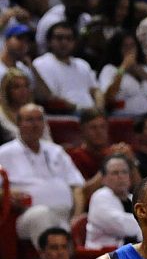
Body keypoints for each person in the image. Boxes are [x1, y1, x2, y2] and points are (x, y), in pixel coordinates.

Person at [0, 104, 85, 247]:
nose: (35, 124)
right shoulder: (4, 153)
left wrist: (77, 217)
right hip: (26, 216)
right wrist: (7, 193)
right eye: (29, 120)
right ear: (18, 123)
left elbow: (77, 187)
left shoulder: (56, 151)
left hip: (65, 214)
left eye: (39, 120)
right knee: (41, 214)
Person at [86, 154, 142, 250]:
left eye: (124, 172)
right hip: (102, 256)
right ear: (103, 179)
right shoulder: (100, 197)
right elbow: (122, 226)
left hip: (127, 253)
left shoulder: (132, 198)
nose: (120, 176)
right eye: (115, 173)